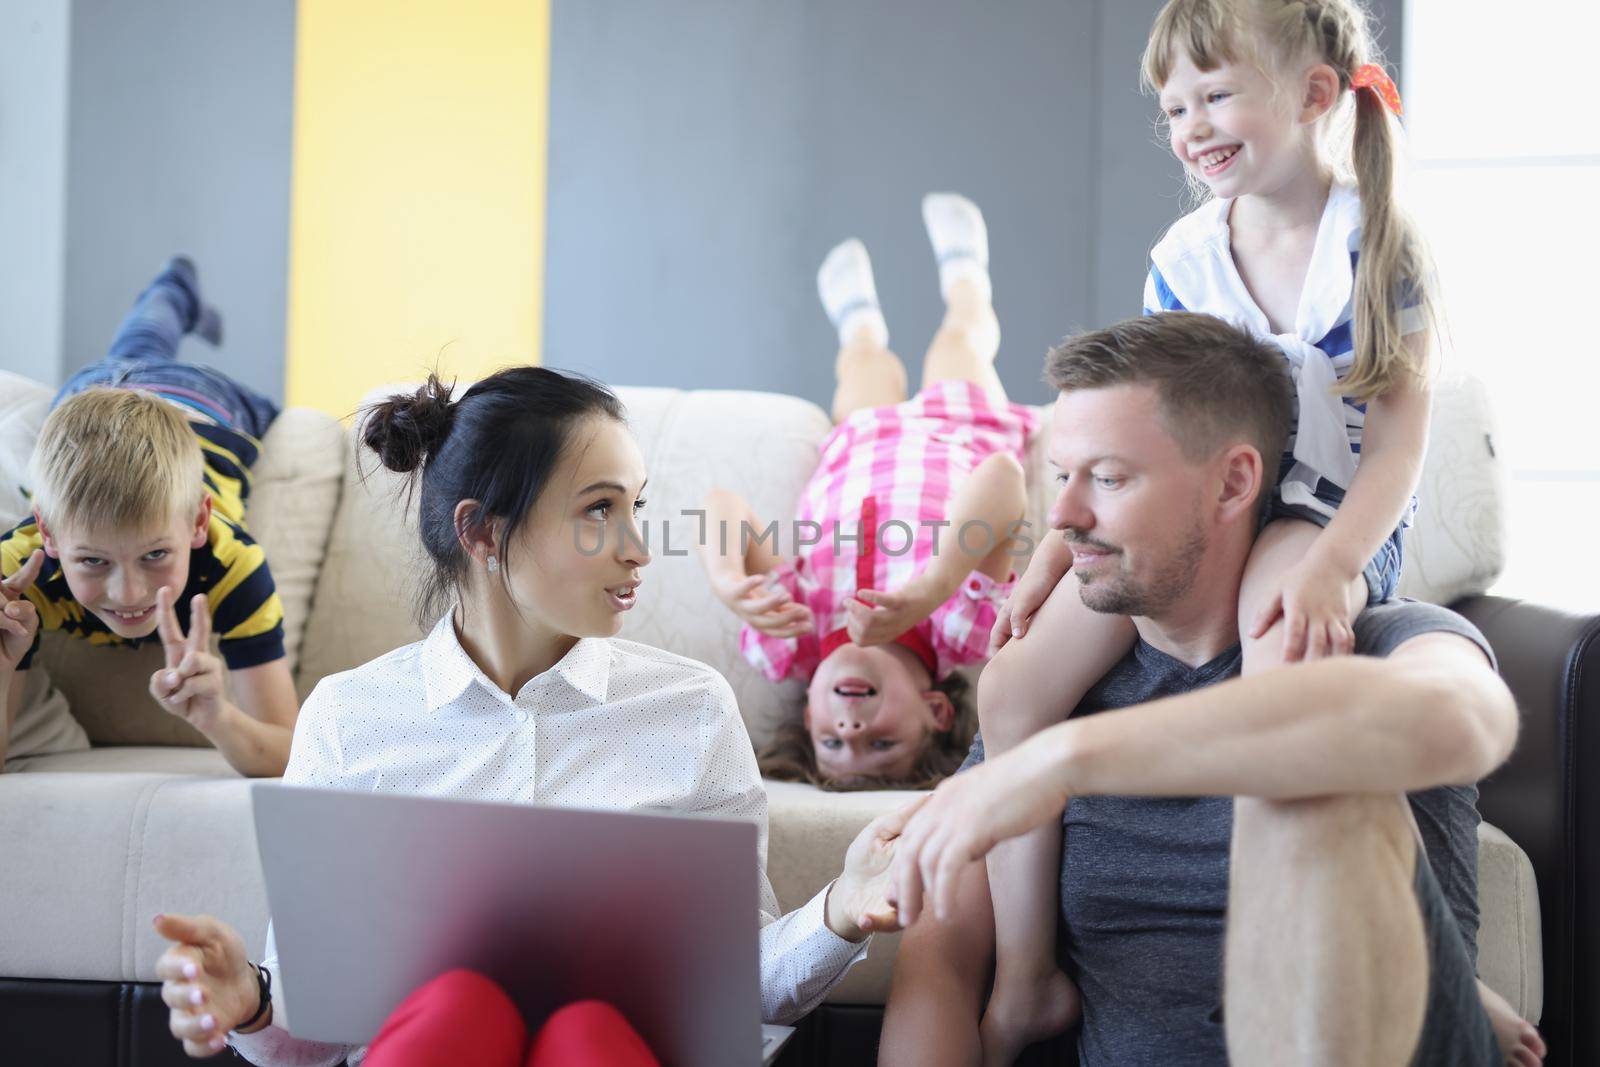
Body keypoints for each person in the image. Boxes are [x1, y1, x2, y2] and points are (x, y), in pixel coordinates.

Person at [152, 366, 919, 1064]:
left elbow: (734, 988)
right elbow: (313, 1034)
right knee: (458, 1008)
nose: (637, 547)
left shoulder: (690, 711)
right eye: (599, 511)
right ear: (482, 530)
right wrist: (252, 1002)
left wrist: (839, 910)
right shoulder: (350, 719)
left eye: (635, 506)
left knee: (588, 1031)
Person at [974, 0, 1466, 1058]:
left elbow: (1395, 448)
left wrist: (1336, 564)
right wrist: (1061, 545)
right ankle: (1025, 978)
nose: (1191, 123)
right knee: (1012, 685)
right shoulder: (1185, 254)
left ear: (1314, 94)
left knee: (1274, 643)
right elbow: (1131, 433)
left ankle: (1272, 947)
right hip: (1199, 507)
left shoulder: (1374, 243)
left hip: (1320, 515)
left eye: (1217, 94)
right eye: (1174, 107)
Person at [877, 313, 1544, 1067]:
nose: (1061, 517)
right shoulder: (1047, 698)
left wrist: (1069, 761)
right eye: (1063, 476)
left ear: (1233, 482)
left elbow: (1467, 719)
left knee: (1320, 767)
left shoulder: (1385, 641)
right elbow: (938, 959)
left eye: (1110, 476)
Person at [699, 194, 1037, 789]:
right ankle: (966, 279)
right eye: (882, 742)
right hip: (960, 431)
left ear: (809, 714)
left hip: (860, 440)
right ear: (936, 711)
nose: (852, 731)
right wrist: (932, 587)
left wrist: (730, 582)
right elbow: (1005, 479)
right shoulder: (958, 628)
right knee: (958, 344)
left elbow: (722, 507)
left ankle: (859, 321)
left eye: (831, 741)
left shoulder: (794, 633)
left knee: (863, 366)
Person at [0, 257, 297, 776]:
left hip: (201, 401)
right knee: (138, 341)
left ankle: (177, 287)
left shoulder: (233, 565)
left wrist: (218, 715)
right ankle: (174, 288)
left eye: (156, 554)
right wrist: (5, 661)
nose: (130, 593)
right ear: (45, 532)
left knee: (255, 401)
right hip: (91, 391)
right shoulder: (15, 579)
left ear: (199, 523)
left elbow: (290, 755)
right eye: (91, 560)